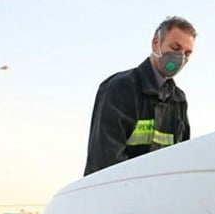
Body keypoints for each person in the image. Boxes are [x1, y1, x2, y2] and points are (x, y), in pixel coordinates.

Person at [84, 16, 197, 175]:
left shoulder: (178, 100)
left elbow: (181, 159)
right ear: (156, 44)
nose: (181, 58)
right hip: (117, 194)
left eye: (187, 53)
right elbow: (105, 163)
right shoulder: (119, 87)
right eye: (175, 48)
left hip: (158, 196)